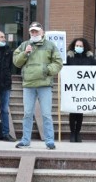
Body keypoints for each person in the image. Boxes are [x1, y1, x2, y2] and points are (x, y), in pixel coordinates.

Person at [12, 21, 63, 149]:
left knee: (46, 114)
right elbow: (16, 62)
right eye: (32, 31)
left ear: (42, 32)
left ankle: (49, 141)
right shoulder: (24, 45)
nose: (34, 33)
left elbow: (58, 62)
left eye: (36, 31)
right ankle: (25, 140)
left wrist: (46, 70)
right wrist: (25, 53)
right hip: (28, 84)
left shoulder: (50, 45)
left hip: (44, 84)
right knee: (27, 113)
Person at [65, 37, 96, 142]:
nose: (78, 47)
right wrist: (65, 58)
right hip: (72, 89)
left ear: (84, 47)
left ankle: (78, 133)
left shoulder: (89, 58)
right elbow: (62, 68)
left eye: (80, 46)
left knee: (80, 112)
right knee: (72, 111)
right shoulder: (69, 58)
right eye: (77, 46)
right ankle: (72, 133)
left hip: (83, 89)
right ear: (73, 46)